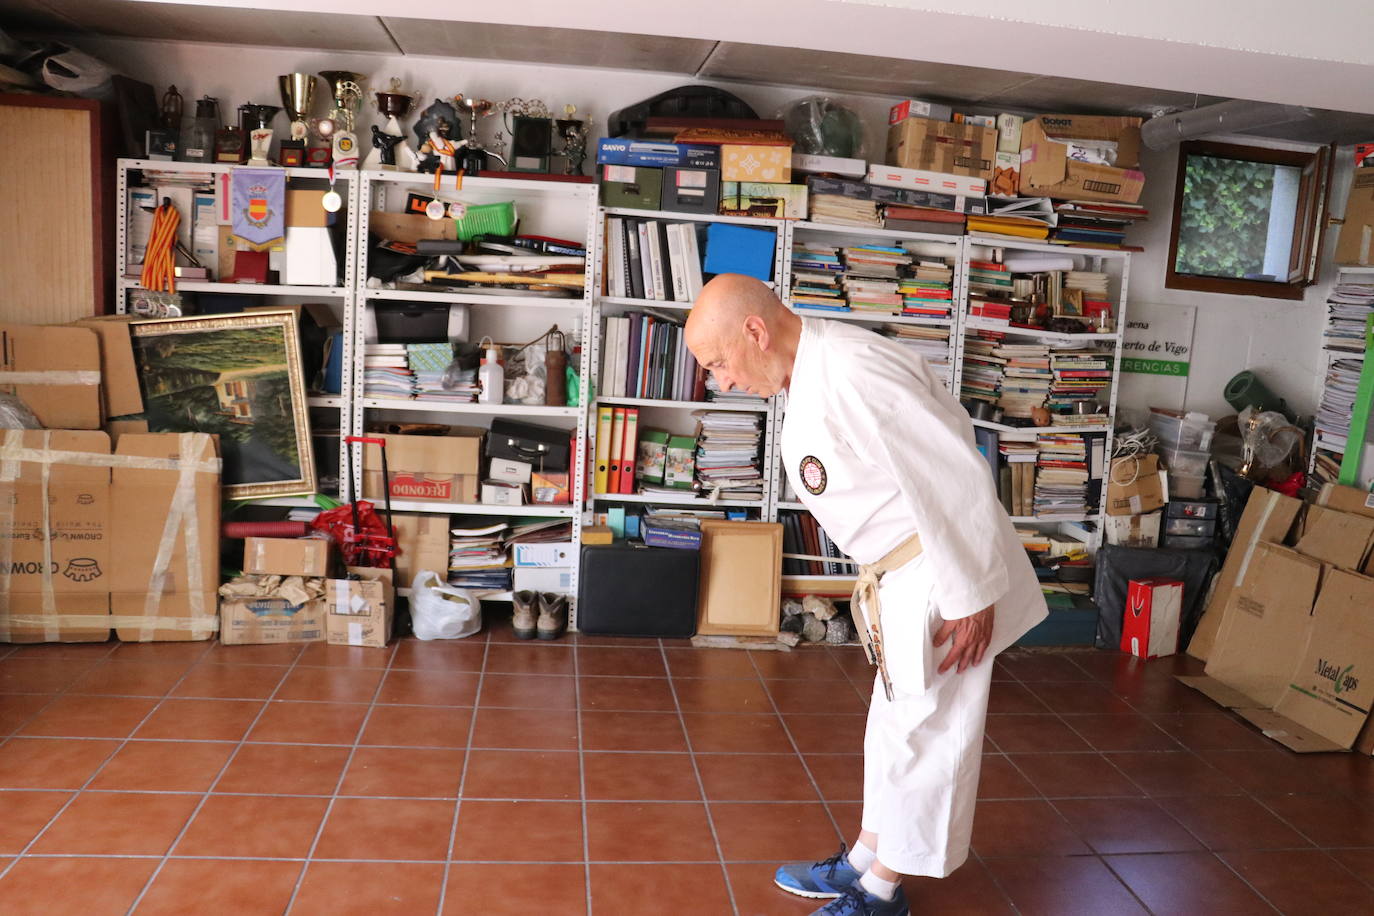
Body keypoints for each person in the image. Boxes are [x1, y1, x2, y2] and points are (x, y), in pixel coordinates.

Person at [684, 274, 1048, 916]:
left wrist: (970, 594)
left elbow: (954, 470)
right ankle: (863, 859)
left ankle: (882, 892)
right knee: (892, 728)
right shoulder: (806, 371)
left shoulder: (856, 369)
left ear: (754, 331)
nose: (724, 381)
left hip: (939, 571)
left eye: (719, 363)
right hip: (898, 575)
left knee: (927, 733)